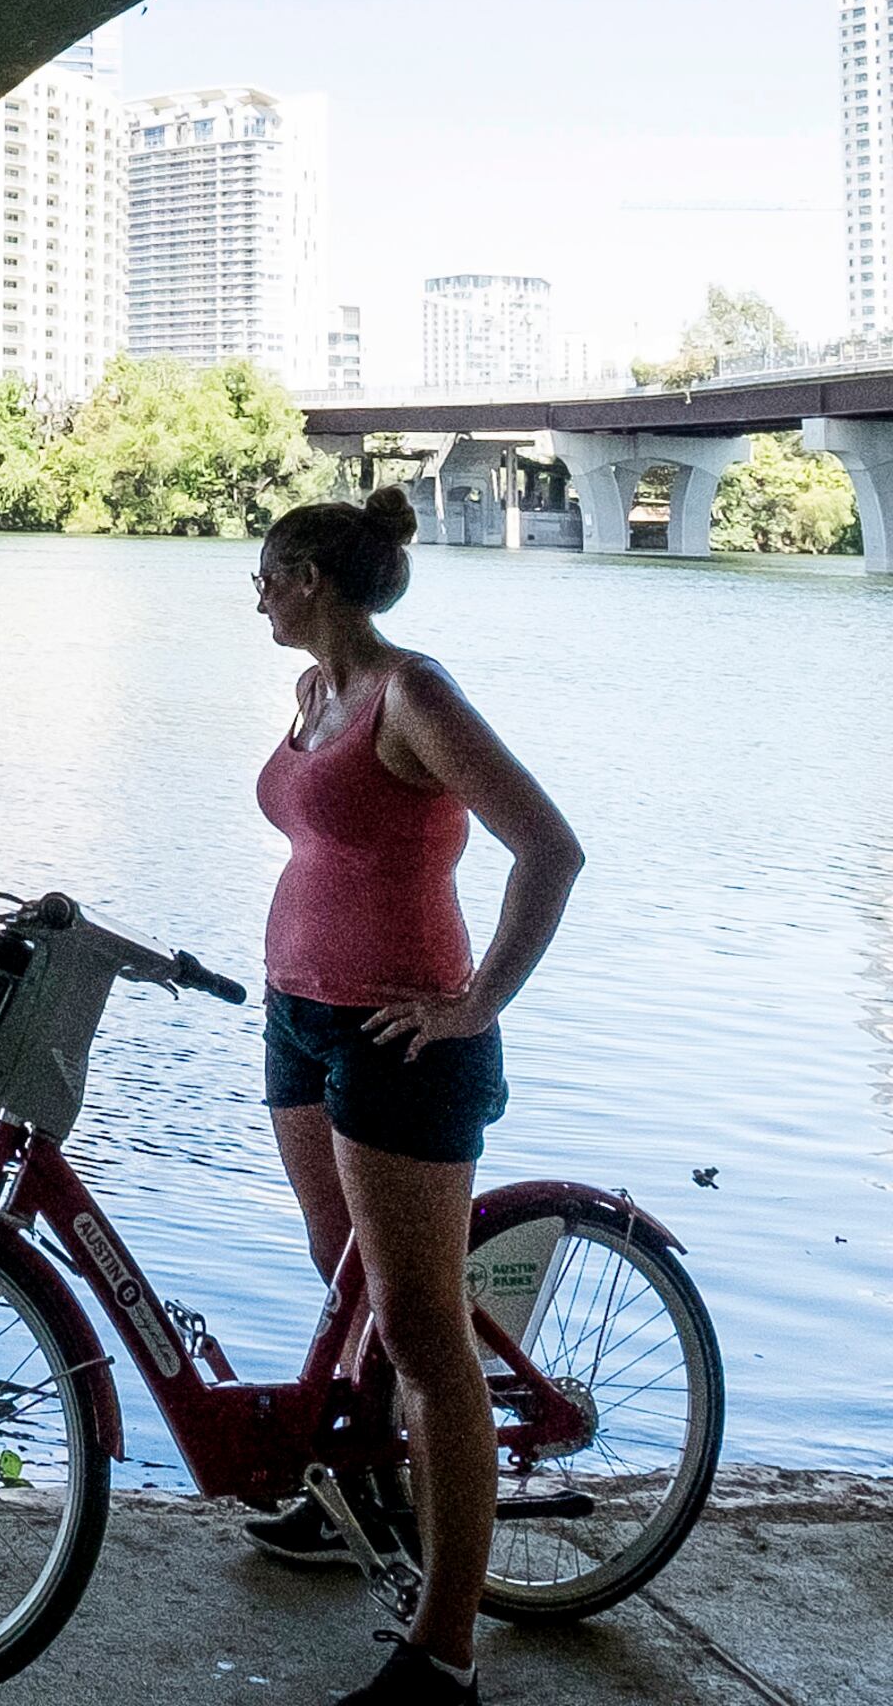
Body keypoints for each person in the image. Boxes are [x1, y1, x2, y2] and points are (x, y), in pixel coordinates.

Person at [235, 486, 583, 1706]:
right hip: (299, 1022)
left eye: (269, 573)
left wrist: (476, 1001)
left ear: (316, 579)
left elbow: (548, 847)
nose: (259, 592)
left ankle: (443, 1652)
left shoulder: (411, 693)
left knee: (424, 1331)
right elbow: (328, 845)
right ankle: (355, 1508)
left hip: (402, 1037)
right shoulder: (311, 695)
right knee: (350, 1292)